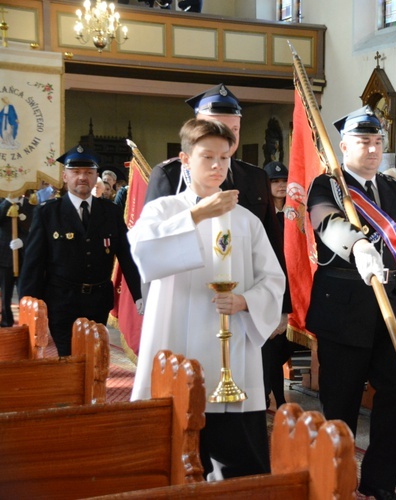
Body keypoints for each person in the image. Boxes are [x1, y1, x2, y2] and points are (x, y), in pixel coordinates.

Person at [129, 119, 285, 479]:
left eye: (224, 157)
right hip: (176, 344)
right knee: (174, 455)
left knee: (239, 464)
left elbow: (273, 279)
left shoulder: (247, 221)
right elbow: (145, 254)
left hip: (233, 355)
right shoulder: (163, 210)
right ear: (185, 158)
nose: (218, 166)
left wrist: (245, 301)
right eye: (207, 157)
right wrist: (198, 214)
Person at [305, 106, 396, 499]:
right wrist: (357, 244)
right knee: (340, 405)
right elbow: (326, 222)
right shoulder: (327, 185)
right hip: (343, 306)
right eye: (364, 141)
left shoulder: (393, 190)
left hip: (389, 309)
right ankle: (335, 484)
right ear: (343, 146)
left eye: (378, 141)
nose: (373, 149)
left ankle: (381, 483)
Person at [144, 83, 289, 333]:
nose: (227, 141)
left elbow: (272, 245)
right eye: (218, 129)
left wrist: (279, 305)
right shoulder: (169, 176)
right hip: (186, 302)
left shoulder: (254, 177)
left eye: (233, 131)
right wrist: (147, 302)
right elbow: (151, 246)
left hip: (243, 308)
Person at [19, 145, 143, 356]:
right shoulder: (48, 213)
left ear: (96, 177)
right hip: (61, 301)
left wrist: (140, 294)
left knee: (95, 358)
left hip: (98, 301)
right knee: (68, 359)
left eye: (88, 172)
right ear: (65, 176)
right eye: (76, 172)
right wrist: (30, 306)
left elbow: (127, 256)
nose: (82, 178)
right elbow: (33, 264)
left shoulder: (110, 212)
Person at [261, 160, 293, 408]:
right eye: (275, 181)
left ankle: (278, 395)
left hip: (296, 287)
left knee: (283, 347)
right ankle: (272, 396)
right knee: (269, 347)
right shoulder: (262, 214)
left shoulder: (296, 212)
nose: (281, 185)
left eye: (284, 180)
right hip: (271, 285)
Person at [0, 192, 35, 327]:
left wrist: (23, 241)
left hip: (25, 257)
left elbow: (35, 231)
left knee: (25, 292)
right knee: (6, 292)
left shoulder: (31, 205)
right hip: (5, 256)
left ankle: (27, 323)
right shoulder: (3, 203)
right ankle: (6, 320)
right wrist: (9, 201)